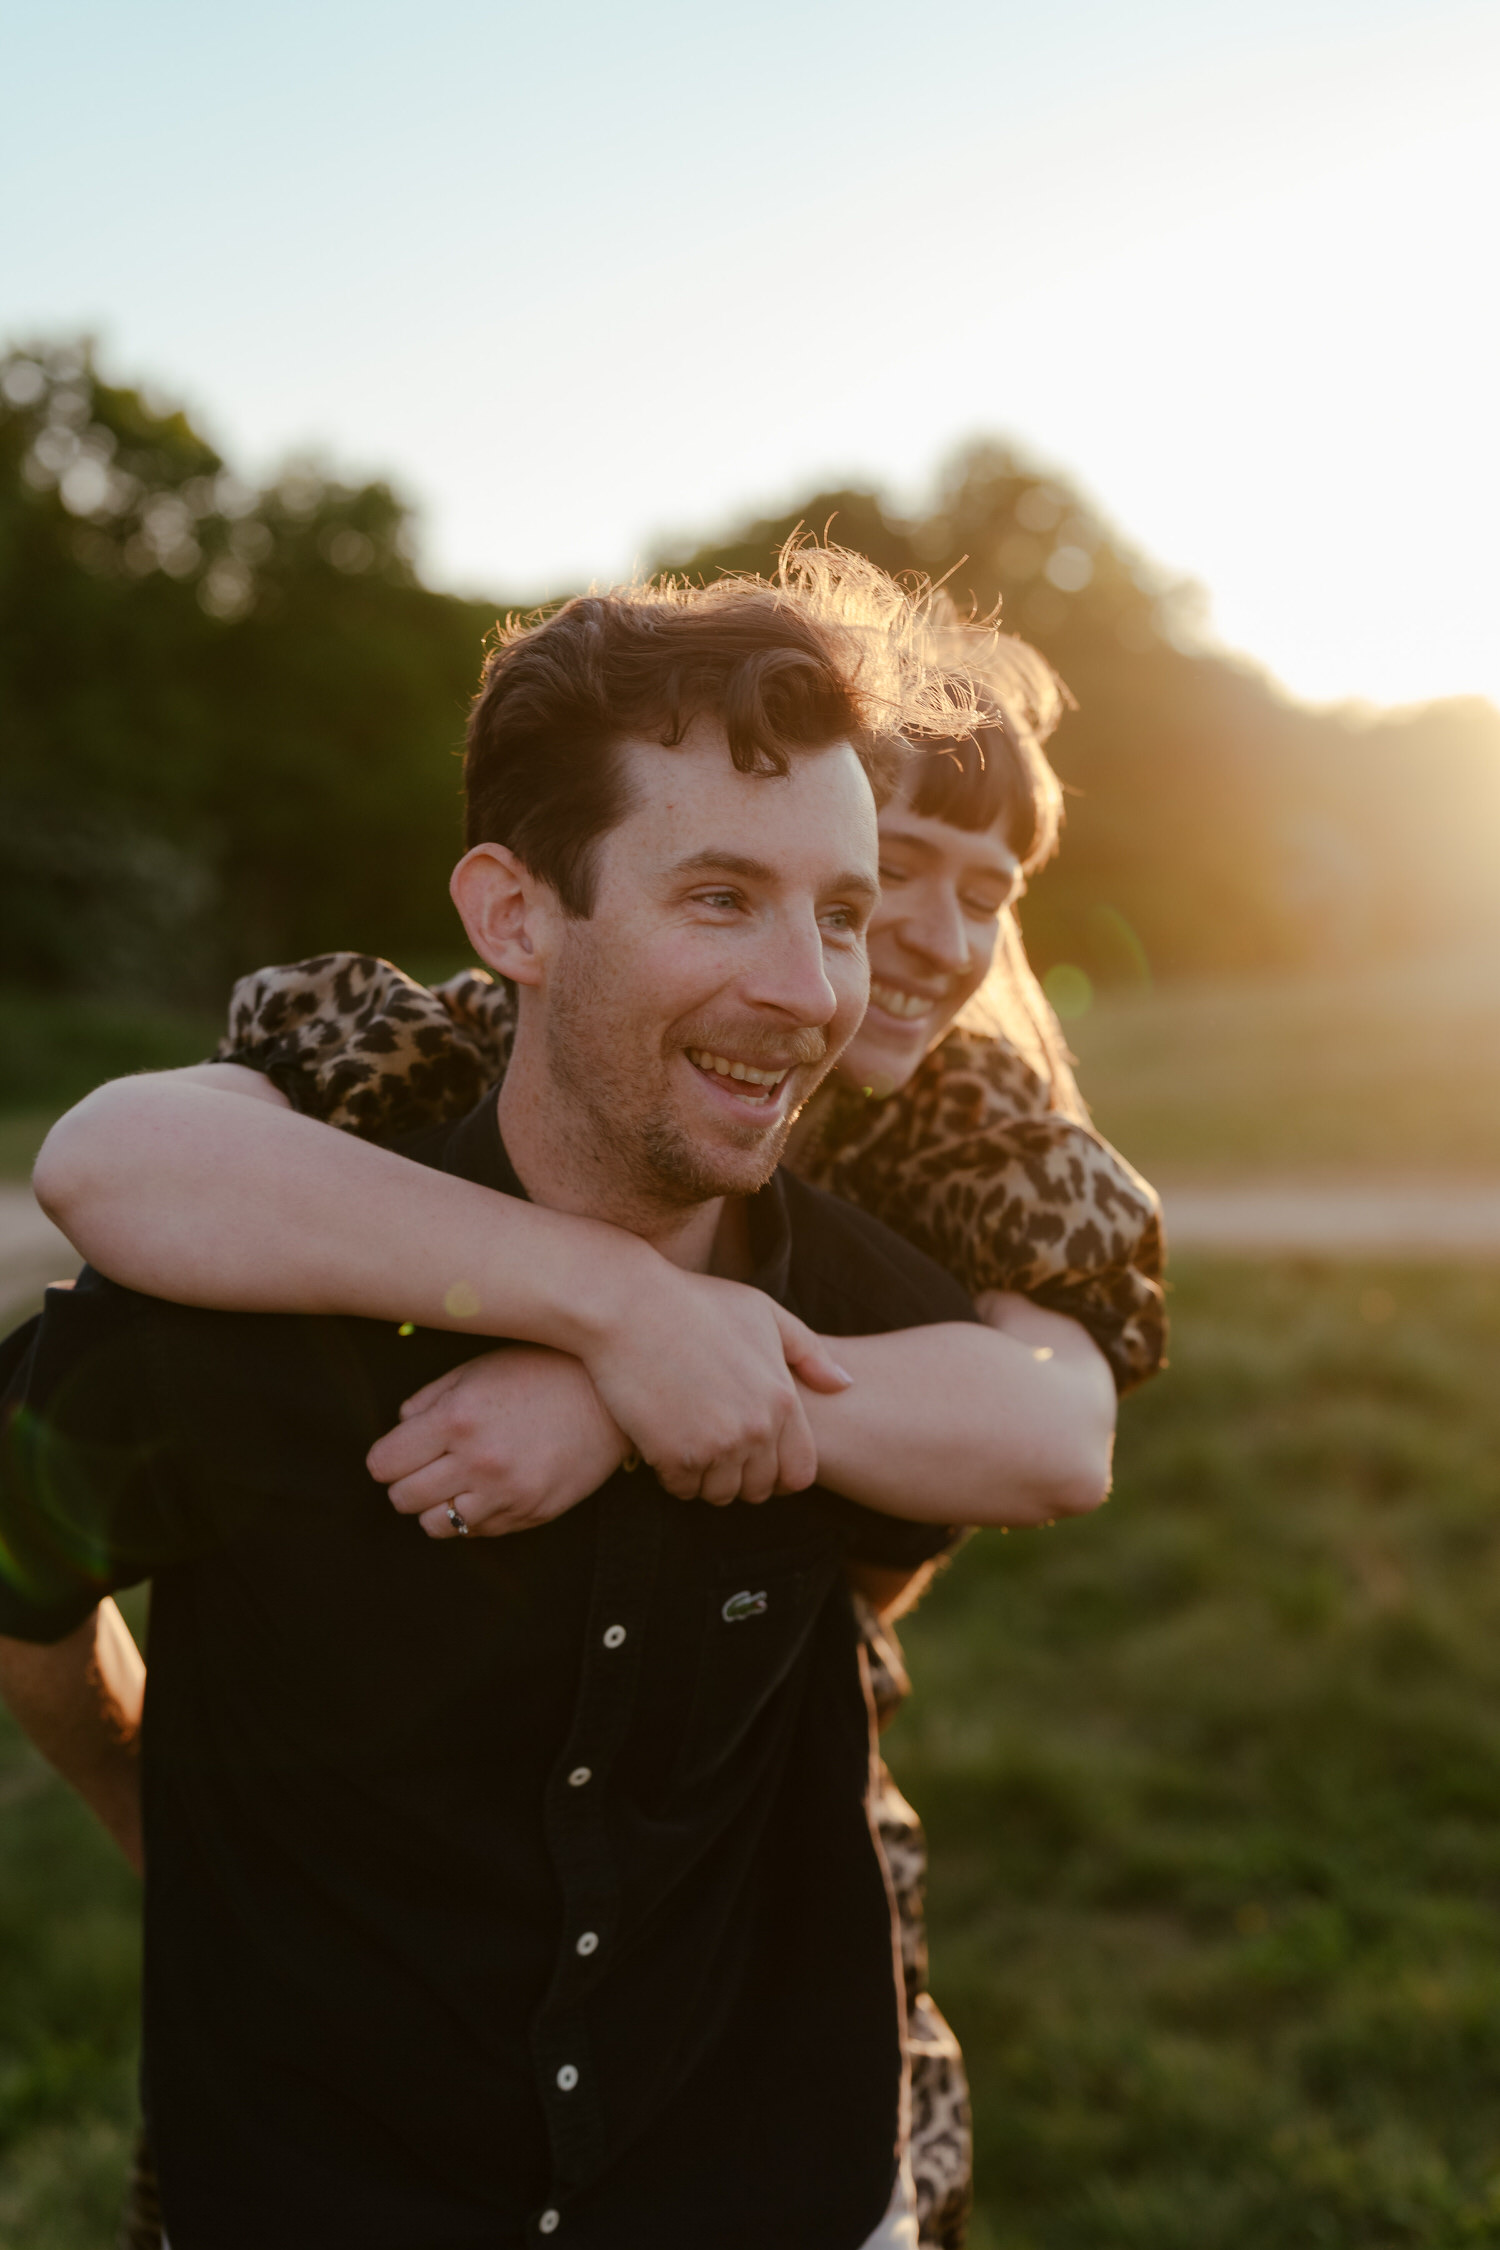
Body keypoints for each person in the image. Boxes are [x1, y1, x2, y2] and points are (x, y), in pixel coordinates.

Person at [1, 559, 1120, 2250]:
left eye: (840, 908)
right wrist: (624, 1312)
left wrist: (701, 1381)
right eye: (722, 896)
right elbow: (96, 1187)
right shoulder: (273, 1248)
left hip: (776, 2181)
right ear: (515, 916)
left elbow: (1046, 1438)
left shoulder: (909, 1260)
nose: (819, 987)